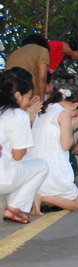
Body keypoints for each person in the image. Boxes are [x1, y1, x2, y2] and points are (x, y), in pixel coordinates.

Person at [0, 68, 48, 224]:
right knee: (41, 166)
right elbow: (18, 155)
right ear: (17, 95)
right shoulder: (18, 115)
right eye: (28, 97)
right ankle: (13, 208)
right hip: (2, 180)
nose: (28, 102)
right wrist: (27, 121)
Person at [30, 89, 78, 214]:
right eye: (76, 114)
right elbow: (66, 145)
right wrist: (71, 128)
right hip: (53, 170)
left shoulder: (43, 109)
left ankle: (39, 197)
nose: (74, 117)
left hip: (36, 168)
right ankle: (41, 197)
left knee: (62, 201)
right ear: (75, 105)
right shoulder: (63, 113)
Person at [5, 34, 50, 100]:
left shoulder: (15, 52)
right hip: (29, 95)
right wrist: (42, 99)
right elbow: (42, 77)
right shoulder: (42, 50)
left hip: (10, 92)